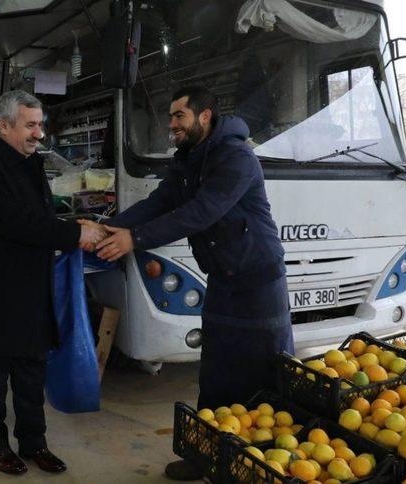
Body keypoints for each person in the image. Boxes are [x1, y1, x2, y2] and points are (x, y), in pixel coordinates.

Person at [93, 85, 294, 480]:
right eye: (170, 117)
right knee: (216, 372)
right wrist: (110, 227)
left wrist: (135, 239)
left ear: (205, 116)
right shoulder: (189, 158)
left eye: (179, 116)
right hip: (222, 277)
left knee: (264, 375)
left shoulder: (235, 157)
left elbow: (201, 212)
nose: (172, 125)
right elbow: (161, 202)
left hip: (258, 282)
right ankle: (206, 455)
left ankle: (262, 464)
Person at [0, 90, 106, 475]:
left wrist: (76, 221)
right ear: (4, 125)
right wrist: (74, 234)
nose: (39, 134)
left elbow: (39, 212)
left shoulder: (31, 163)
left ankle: (34, 442)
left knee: (30, 375)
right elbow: (17, 223)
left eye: (41, 124)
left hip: (30, 294)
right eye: (31, 125)